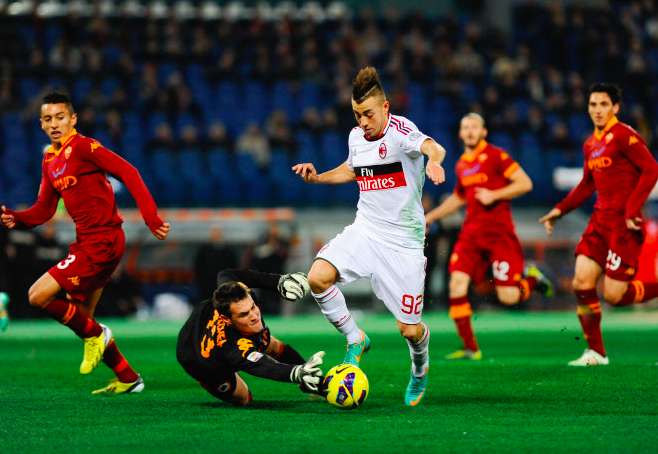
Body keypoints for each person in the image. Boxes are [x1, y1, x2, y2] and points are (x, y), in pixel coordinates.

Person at [292, 66, 446, 406]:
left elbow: (434, 147)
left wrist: (433, 162)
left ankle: (420, 369)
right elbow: (351, 169)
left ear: (386, 107)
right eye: (357, 114)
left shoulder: (401, 131)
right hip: (365, 230)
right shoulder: (355, 137)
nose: (362, 121)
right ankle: (355, 337)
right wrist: (317, 178)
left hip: (404, 243)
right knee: (318, 277)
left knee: (409, 330)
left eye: (368, 114)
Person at [0, 92, 170, 393]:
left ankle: (99, 335)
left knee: (37, 296)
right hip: (88, 243)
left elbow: (128, 172)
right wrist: (17, 218)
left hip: (102, 242)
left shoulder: (84, 146)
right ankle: (129, 379)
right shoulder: (50, 160)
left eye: (60, 117)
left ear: (73, 119)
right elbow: (44, 209)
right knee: (82, 320)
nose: (55, 124)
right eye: (48, 119)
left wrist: (151, 217)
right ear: (41, 124)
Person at [539, 83, 658, 366]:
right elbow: (586, 185)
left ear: (615, 107)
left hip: (623, 226)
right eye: (593, 105)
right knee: (582, 282)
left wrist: (632, 208)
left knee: (615, 295)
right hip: (598, 222)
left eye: (604, 104)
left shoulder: (624, 136)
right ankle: (596, 352)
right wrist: (559, 210)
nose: (597, 110)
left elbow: (652, 169)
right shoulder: (590, 143)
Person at [425, 113, 553, 360]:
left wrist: (495, 195)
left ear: (484, 132)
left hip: (499, 235)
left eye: (475, 127)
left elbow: (525, 183)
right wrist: (429, 217)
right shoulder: (462, 163)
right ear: (461, 134)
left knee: (508, 297)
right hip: (471, 235)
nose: (470, 131)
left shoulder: (497, 156)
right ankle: (470, 347)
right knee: (456, 285)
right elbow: (459, 198)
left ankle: (533, 280)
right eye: (466, 127)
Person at [176, 268, 324, 406]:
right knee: (243, 399)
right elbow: (261, 365)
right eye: (244, 314)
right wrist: (296, 373)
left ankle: (312, 382)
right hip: (194, 357)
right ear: (227, 319)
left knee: (271, 345)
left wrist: (278, 282)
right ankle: (207, 381)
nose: (254, 316)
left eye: (252, 307)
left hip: (204, 318)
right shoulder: (232, 346)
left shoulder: (237, 296)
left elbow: (225, 274)